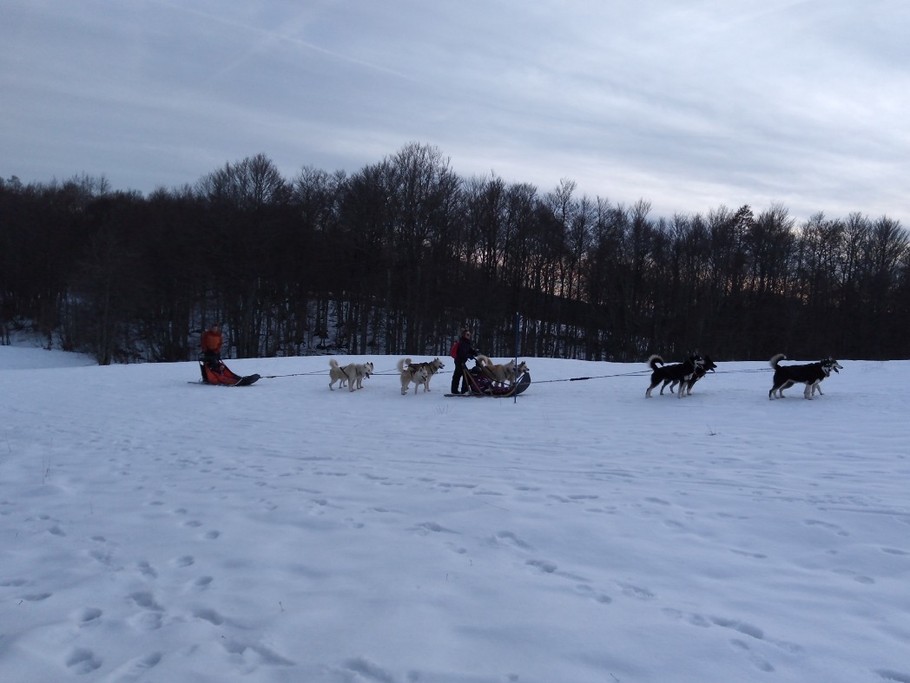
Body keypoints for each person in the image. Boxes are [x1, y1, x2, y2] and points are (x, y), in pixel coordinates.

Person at [450, 328, 477, 394]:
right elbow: (462, 354)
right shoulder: (462, 343)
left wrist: (474, 353)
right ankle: (464, 390)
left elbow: (469, 350)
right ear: (464, 335)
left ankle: (455, 390)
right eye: (467, 334)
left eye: (469, 335)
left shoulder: (466, 343)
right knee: (466, 375)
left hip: (461, 361)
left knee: (457, 375)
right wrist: (469, 356)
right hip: (460, 361)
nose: (469, 336)